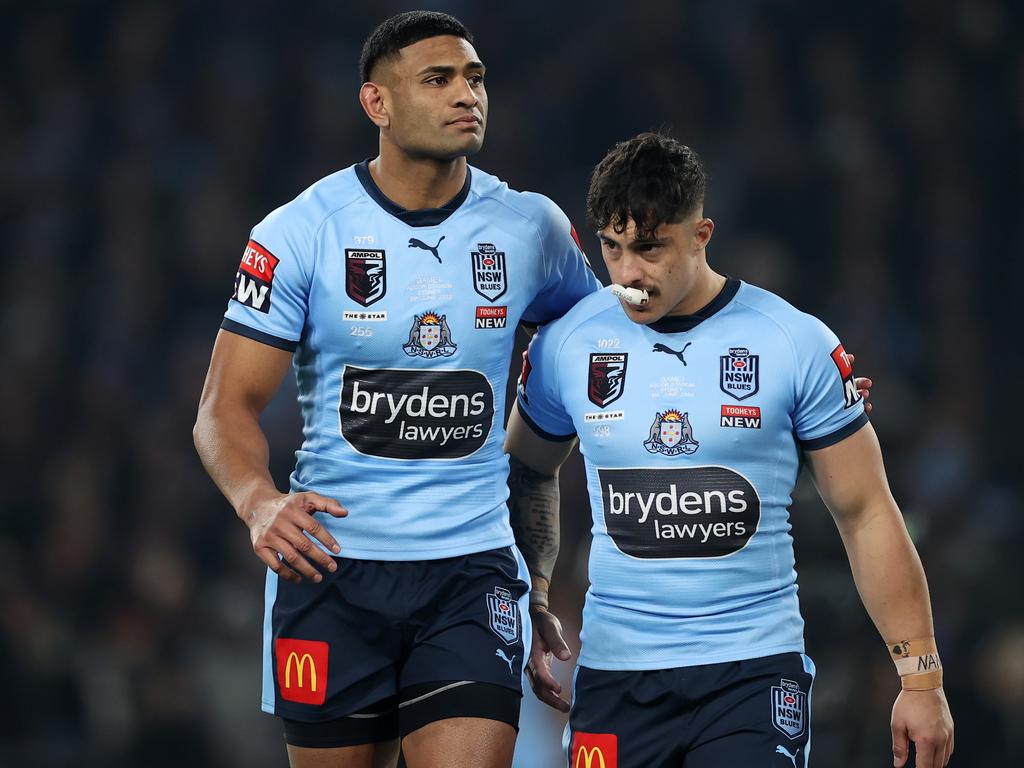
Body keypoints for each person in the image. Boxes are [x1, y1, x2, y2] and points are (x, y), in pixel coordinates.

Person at [192, 11, 601, 768]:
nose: (466, 95)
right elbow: (223, 408)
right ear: (376, 103)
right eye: (438, 80)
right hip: (331, 572)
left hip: (471, 571)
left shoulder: (532, 228)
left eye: (475, 78)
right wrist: (259, 503)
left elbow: (612, 349)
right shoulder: (300, 232)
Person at [506, 133, 953, 768]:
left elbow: (866, 511)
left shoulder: (792, 342)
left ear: (700, 234)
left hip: (751, 673)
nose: (629, 273)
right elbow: (522, 473)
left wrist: (921, 679)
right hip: (615, 675)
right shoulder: (567, 344)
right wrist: (534, 598)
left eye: (650, 247)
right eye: (613, 248)